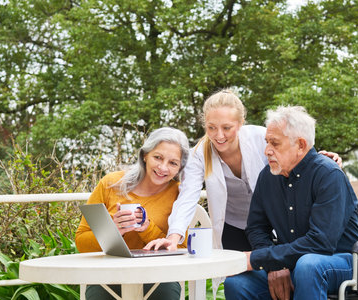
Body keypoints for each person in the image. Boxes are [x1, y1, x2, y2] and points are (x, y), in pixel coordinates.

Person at [145, 90, 342, 253]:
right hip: (233, 227)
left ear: (241, 123)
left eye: (227, 128)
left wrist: (318, 159)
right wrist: (173, 237)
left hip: (273, 222)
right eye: (211, 127)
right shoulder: (198, 155)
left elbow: (293, 157)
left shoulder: (261, 139)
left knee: (281, 279)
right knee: (241, 284)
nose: (218, 135)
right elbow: (187, 197)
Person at [224, 105, 358, 300]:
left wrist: (259, 259)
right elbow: (256, 228)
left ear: (300, 145)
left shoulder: (328, 174)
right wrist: (274, 266)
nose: (267, 151)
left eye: (275, 143)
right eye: (267, 142)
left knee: (308, 266)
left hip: (344, 261)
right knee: (236, 284)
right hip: (294, 262)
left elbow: (321, 243)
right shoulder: (267, 177)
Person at [75, 127, 189, 300]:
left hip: (158, 277)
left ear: (180, 167)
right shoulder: (110, 184)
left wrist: (146, 228)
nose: (163, 167)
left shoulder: (180, 194)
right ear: (145, 155)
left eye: (173, 163)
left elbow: (181, 248)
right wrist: (113, 231)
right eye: (157, 157)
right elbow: (81, 242)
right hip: (109, 275)